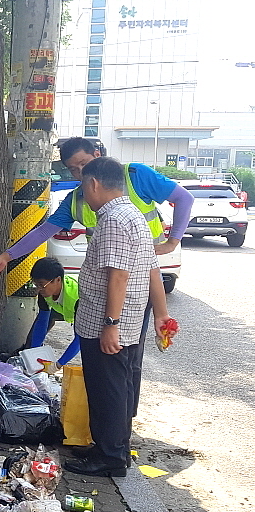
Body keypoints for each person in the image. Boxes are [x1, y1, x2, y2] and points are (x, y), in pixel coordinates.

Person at [0, 136, 192, 415]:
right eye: (74, 169)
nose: (80, 174)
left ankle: (120, 424)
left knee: (125, 357)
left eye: (83, 164)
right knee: (105, 359)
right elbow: (44, 231)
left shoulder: (134, 177)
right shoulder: (77, 200)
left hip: (136, 278)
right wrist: (6, 256)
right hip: (108, 281)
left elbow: (183, 198)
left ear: (97, 153)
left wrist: (173, 241)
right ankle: (112, 424)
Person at [62, 157, 174, 478]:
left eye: (84, 186)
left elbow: (118, 276)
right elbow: (153, 268)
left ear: (94, 184)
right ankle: (116, 447)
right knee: (121, 386)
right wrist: (159, 315)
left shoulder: (112, 219)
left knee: (107, 389)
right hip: (128, 320)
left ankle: (109, 457)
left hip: (107, 323)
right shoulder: (135, 215)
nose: (84, 194)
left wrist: (111, 325)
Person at [28, 257, 80, 370]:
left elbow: (80, 338)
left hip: (91, 311)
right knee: (32, 337)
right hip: (63, 308)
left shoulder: (77, 295)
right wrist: (33, 354)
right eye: (36, 285)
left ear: (57, 280)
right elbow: (42, 322)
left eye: (41, 285)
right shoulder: (44, 293)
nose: (39, 289)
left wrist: (58, 364)